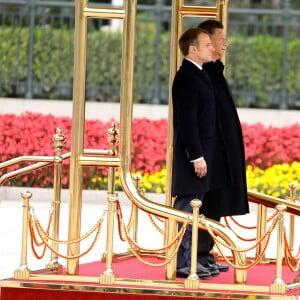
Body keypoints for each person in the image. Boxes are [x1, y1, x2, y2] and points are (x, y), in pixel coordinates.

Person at [172, 25, 249, 279]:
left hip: (205, 157)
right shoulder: (186, 77)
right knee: (186, 209)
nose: (214, 47)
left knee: (196, 209)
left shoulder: (201, 74)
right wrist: (197, 156)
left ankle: (193, 259)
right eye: (208, 44)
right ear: (193, 49)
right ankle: (184, 261)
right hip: (195, 159)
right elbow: (187, 123)